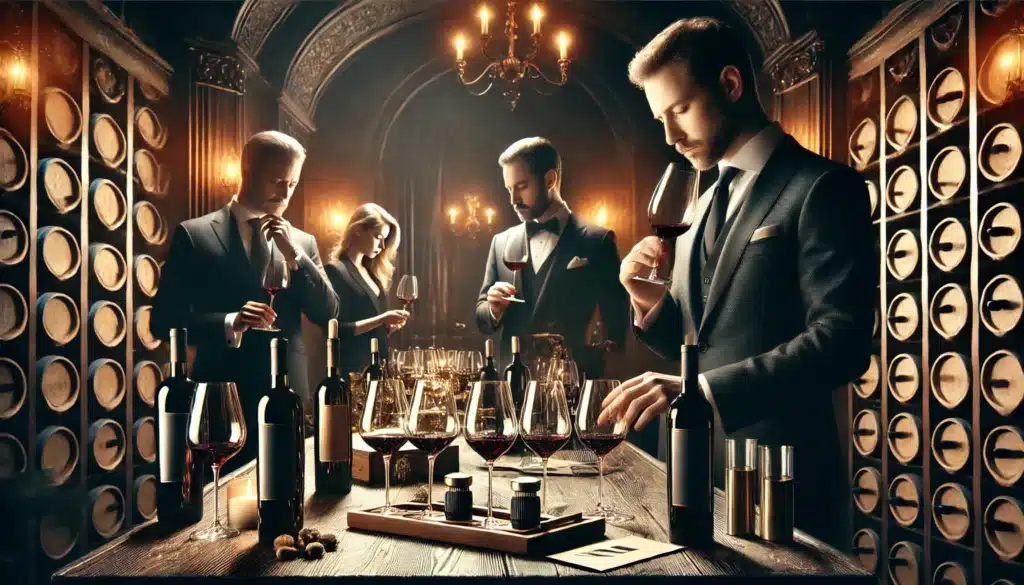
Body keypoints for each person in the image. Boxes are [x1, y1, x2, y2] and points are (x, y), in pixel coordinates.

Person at [597, 17, 873, 550]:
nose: (671, 137)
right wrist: (650, 303)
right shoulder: (698, 203)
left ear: (730, 84)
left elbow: (843, 341)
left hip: (780, 484)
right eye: (660, 119)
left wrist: (701, 392)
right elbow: (699, 333)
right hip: (689, 476)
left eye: (679, 110)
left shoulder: (822, 187)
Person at [151, 130, 339, 473]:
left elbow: (328, 313)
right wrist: (228, 322)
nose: (284, 194)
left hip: (287, 393)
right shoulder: (195, 234)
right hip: (220, 397)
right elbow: (162, 321)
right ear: (247, 170)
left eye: (292, 184)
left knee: (287, 501)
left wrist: (295, 256)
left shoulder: (302, 242)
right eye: (277, 181)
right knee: (218, 510)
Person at [475, 137, 628, 378]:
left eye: (522, 186)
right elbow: (482, 321)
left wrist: (599, 364)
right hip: (513, 381)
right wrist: (493, 309)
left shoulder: (598, 241)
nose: (513, 200)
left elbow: (618, 324)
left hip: (573, 384)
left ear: (550, 180)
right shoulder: (500, 242)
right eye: (509, 189)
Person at [324, 203, 409, 380]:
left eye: (385, 240)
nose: (383, 245)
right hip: (354, 370)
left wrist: (387, 327)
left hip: (380, 366)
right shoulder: (335, 271)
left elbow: (372, 324)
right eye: (378, 237)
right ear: (358, 230)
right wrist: (382, 319)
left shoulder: (372, 273)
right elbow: (335, 329)